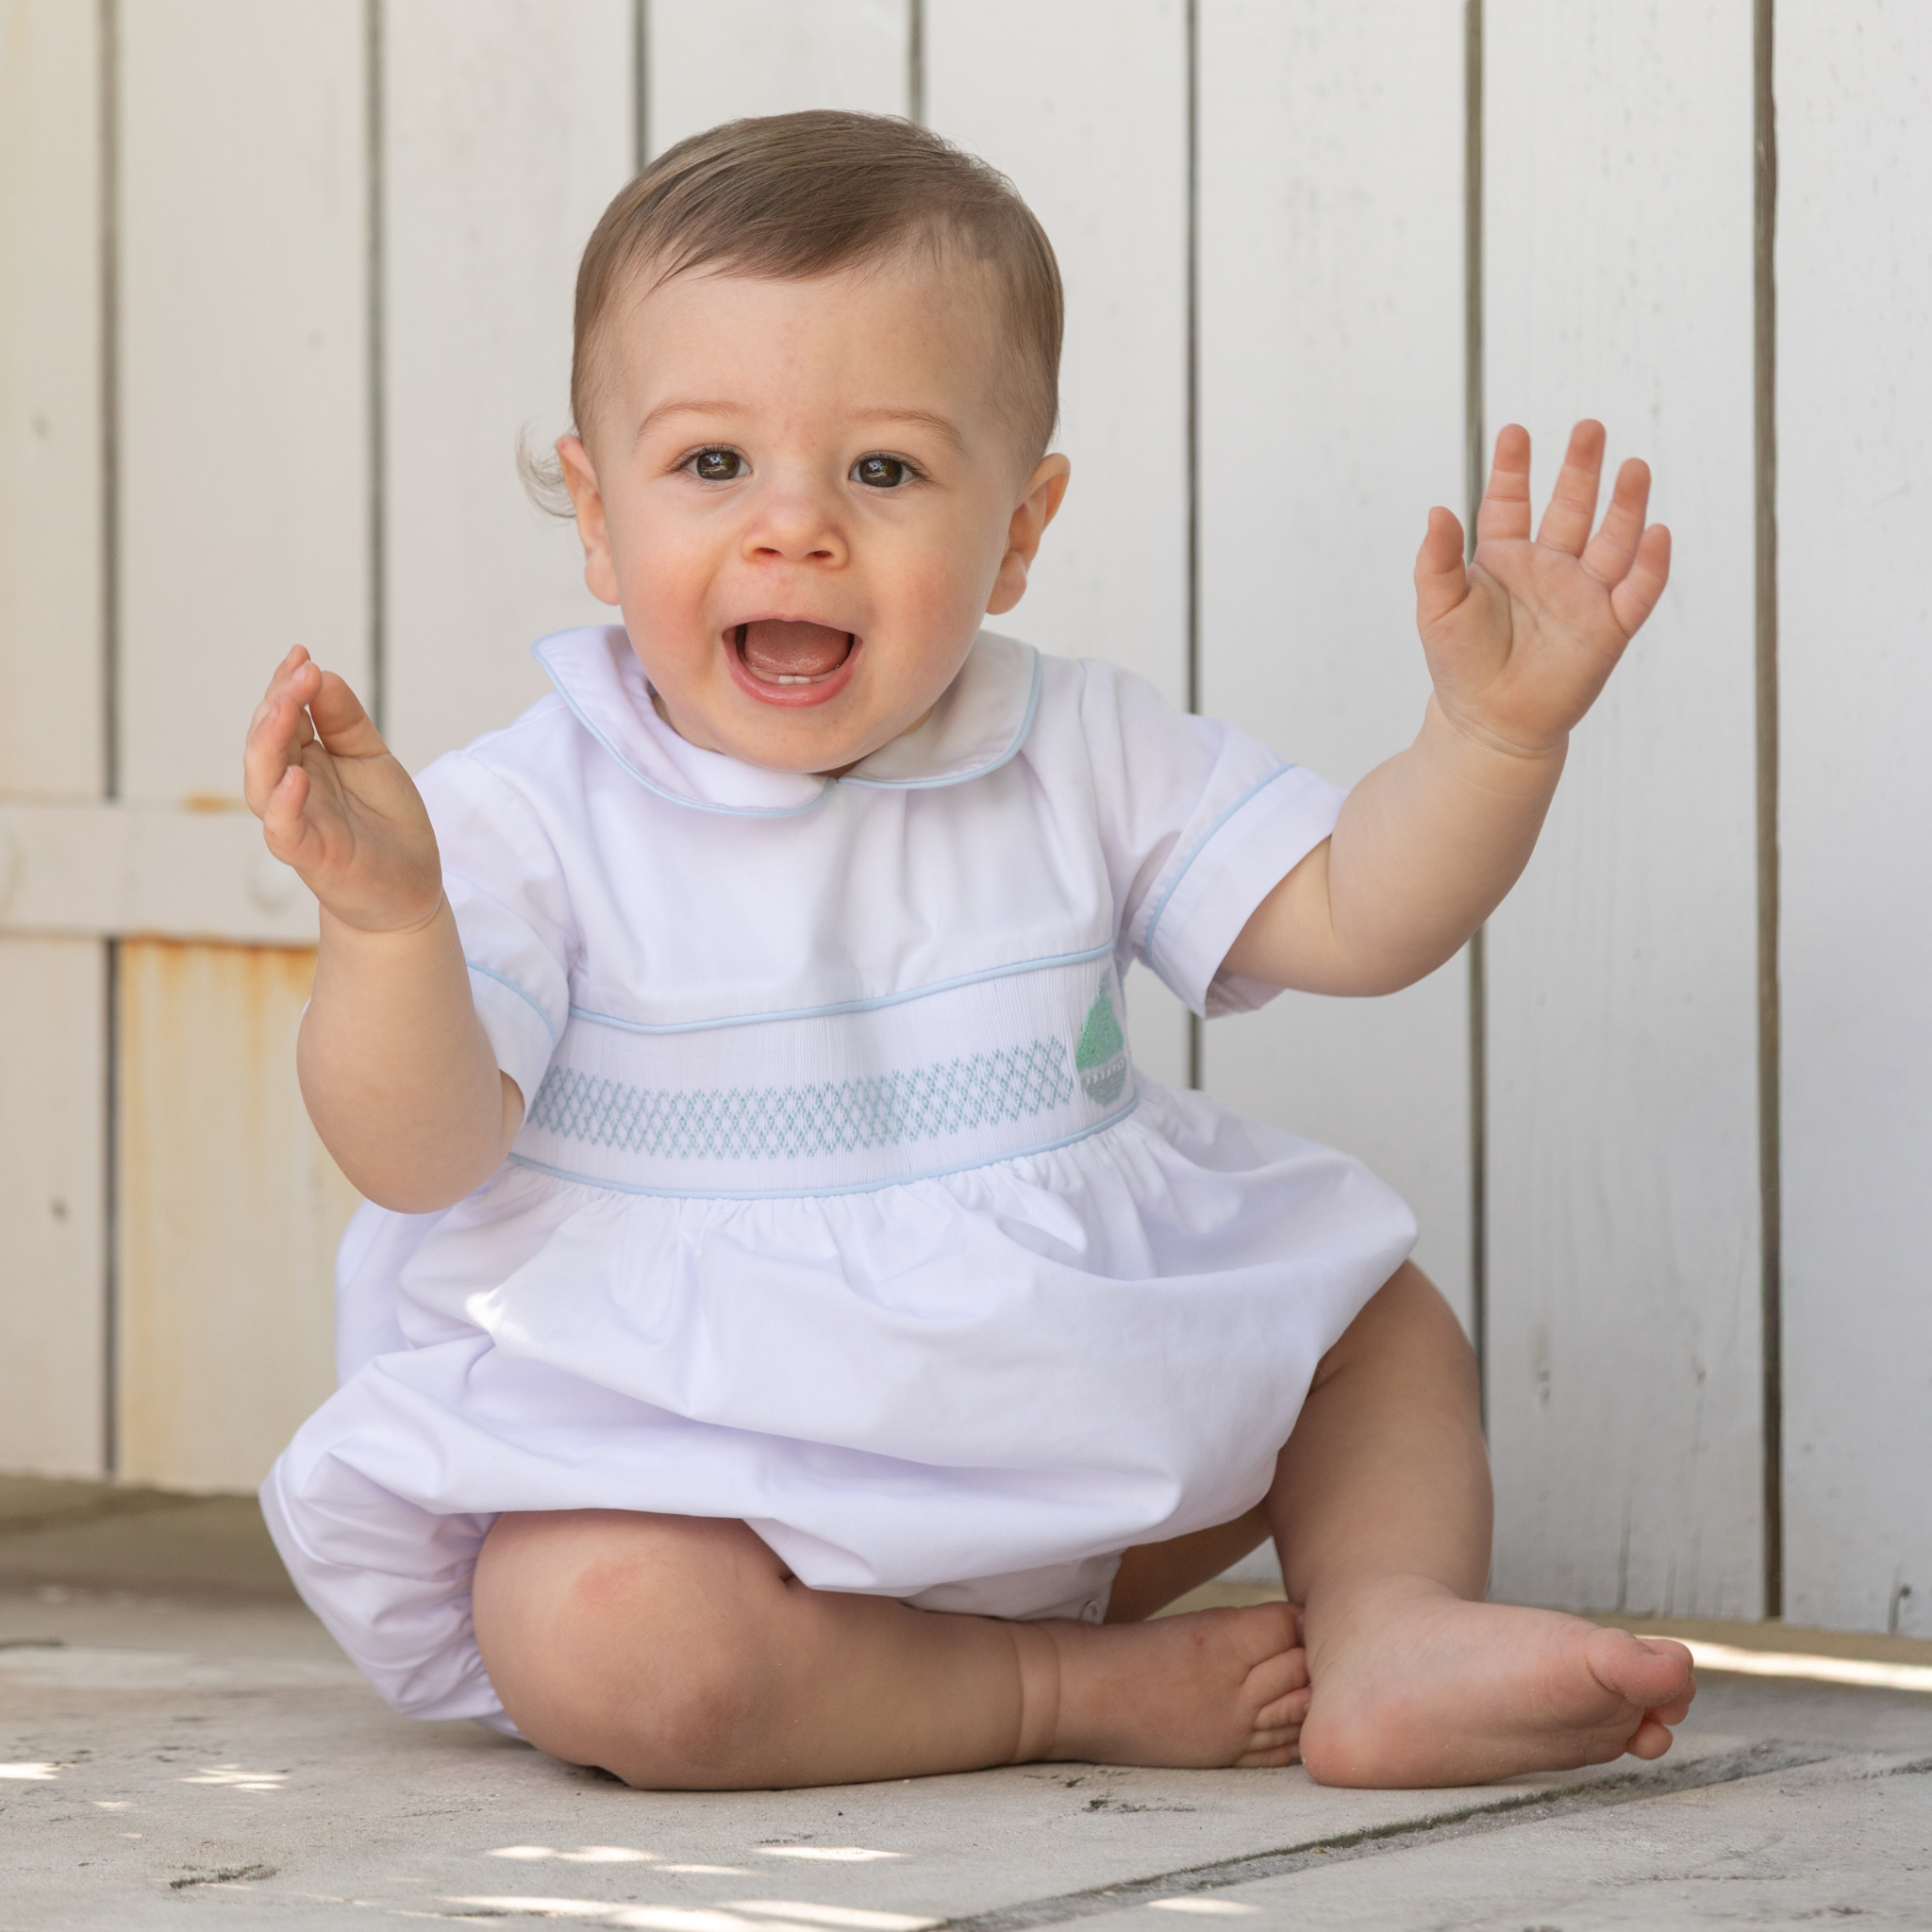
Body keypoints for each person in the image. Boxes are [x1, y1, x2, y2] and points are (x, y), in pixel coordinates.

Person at [243, 110, 1694, 1791]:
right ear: (595, 510)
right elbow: (418, 1154)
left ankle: (1388, 1625)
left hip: (1068, 1439)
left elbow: (1356, 915)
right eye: (712, 466)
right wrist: (389, 929)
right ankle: (1053, 1691)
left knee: (1375, 1325)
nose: (796, 528)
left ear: (1017, 528)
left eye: (885, 471)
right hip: (704, 1496)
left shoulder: (1077, 746)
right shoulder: (518, 820)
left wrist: (1494, 740)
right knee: (607, 1635)